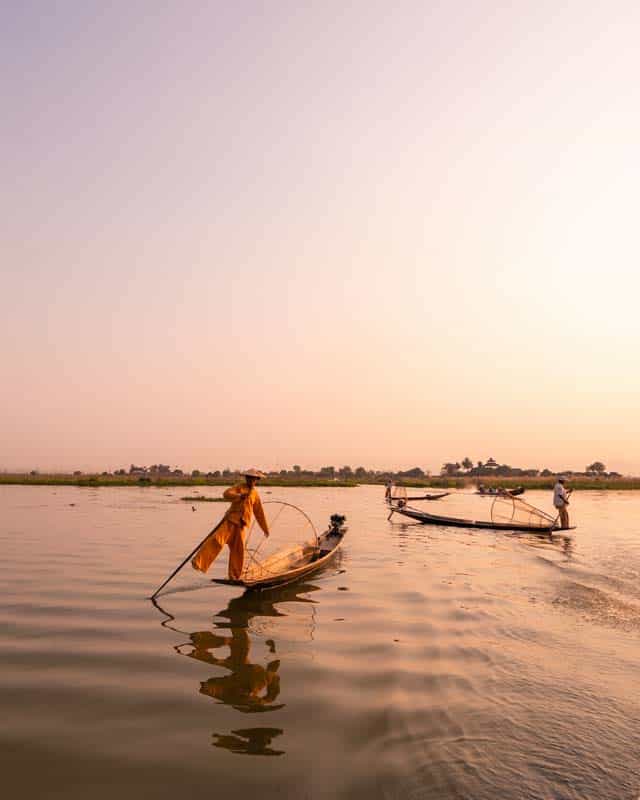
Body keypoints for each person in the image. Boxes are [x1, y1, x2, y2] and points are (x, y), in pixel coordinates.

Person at [191, 469, 270, 579]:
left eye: (253, 479)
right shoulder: (239, 487)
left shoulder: (255, 495)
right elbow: (227, 494)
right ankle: (198, 562)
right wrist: (239, 496)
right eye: (249, 478)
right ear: (246, 478)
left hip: (242, 525)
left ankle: (234, 576)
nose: (251, 481)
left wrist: (265, 529)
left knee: (239, 551)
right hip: (231, 521)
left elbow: (259, 513)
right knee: (217, 540)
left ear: (256, 480)